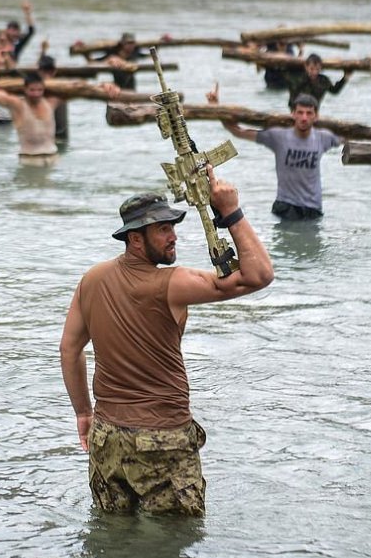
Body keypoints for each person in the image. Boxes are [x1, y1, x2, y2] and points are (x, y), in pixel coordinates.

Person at [59, 167, 274, 516]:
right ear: (135, 239)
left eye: (172, 226)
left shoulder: (91, 280)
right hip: (163, 441)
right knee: (173, 550)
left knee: (114, 546)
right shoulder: (173, 283)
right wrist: (231, 212)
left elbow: (69, 350)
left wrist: (83, 412)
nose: (173, 236)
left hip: (106, 440)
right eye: (162, 229)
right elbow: (260, 275)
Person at [207, 85, 371, 220]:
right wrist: (216, 107)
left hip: (313, 208)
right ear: (293, 114)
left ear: (316, 116)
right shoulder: (278, 136)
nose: (304, 117)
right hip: (285, 206)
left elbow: (355, 136)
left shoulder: (323, 137)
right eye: (300, 112)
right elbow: (238, 131)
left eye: (309, 113)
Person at [0, 48, 62, 166]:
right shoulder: (18, 105)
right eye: (32, 90)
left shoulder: (51, 102)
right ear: (25, 90)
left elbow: (81, 90)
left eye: (39, 90)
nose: (36, 94)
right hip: (30, 162)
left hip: (53, 159)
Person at [0, 0, 35, 124]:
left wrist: (27, 12)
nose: (12, 33)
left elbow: (31, 31)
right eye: (10, 30)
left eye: (15, 30)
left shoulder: (16, 47)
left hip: (9, 83)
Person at [282, 53, 352, 110]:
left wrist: (345, 77)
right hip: (296, 112)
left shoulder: (323, 80)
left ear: (321, 68)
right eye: (312, 69)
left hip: (313, 113)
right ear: (306, 67)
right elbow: (286, 75)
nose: (314, 72)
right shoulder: (297, 77)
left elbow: (334, 91)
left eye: (317, 69)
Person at [37, 41, 68, 141]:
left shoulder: (60, 87)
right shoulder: (35, 87)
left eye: (49, 71)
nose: (46, 74)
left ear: (54, 71)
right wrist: (42, 52)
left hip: (59, 136)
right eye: (43, 71)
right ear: (39, 71)